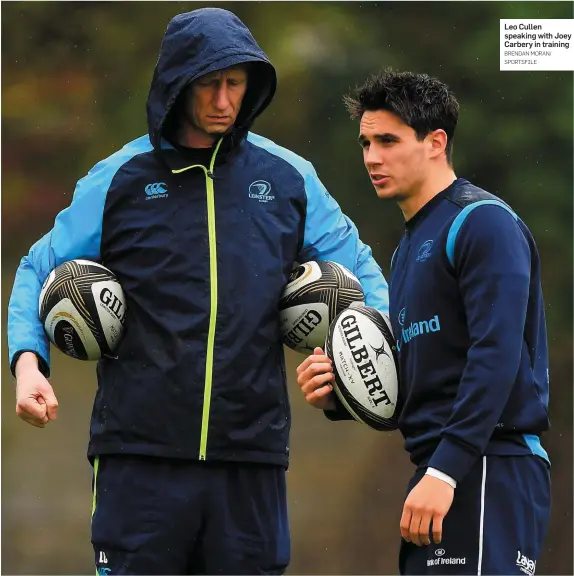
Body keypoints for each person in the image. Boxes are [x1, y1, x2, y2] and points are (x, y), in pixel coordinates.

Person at [7, 8, 390, 576]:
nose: (223, 100)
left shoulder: (288, 178)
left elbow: (364, 278)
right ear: (177, 84)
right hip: (138, 459)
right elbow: (38, 267)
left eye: (235, 84)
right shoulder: (120, 177)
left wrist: (358, 364)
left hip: (251, 459)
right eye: (209, 83)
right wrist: (28, 363)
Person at [296, 69, 551, 575]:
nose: (372, 157)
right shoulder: (409, 246)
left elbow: (495, 355)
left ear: (436, 143)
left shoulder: (481, 223)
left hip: (486, 467)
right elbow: (424, 377)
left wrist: (448, 470)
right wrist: (341, 393)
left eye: (388, 141)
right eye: (366, 142)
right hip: (441, 468)